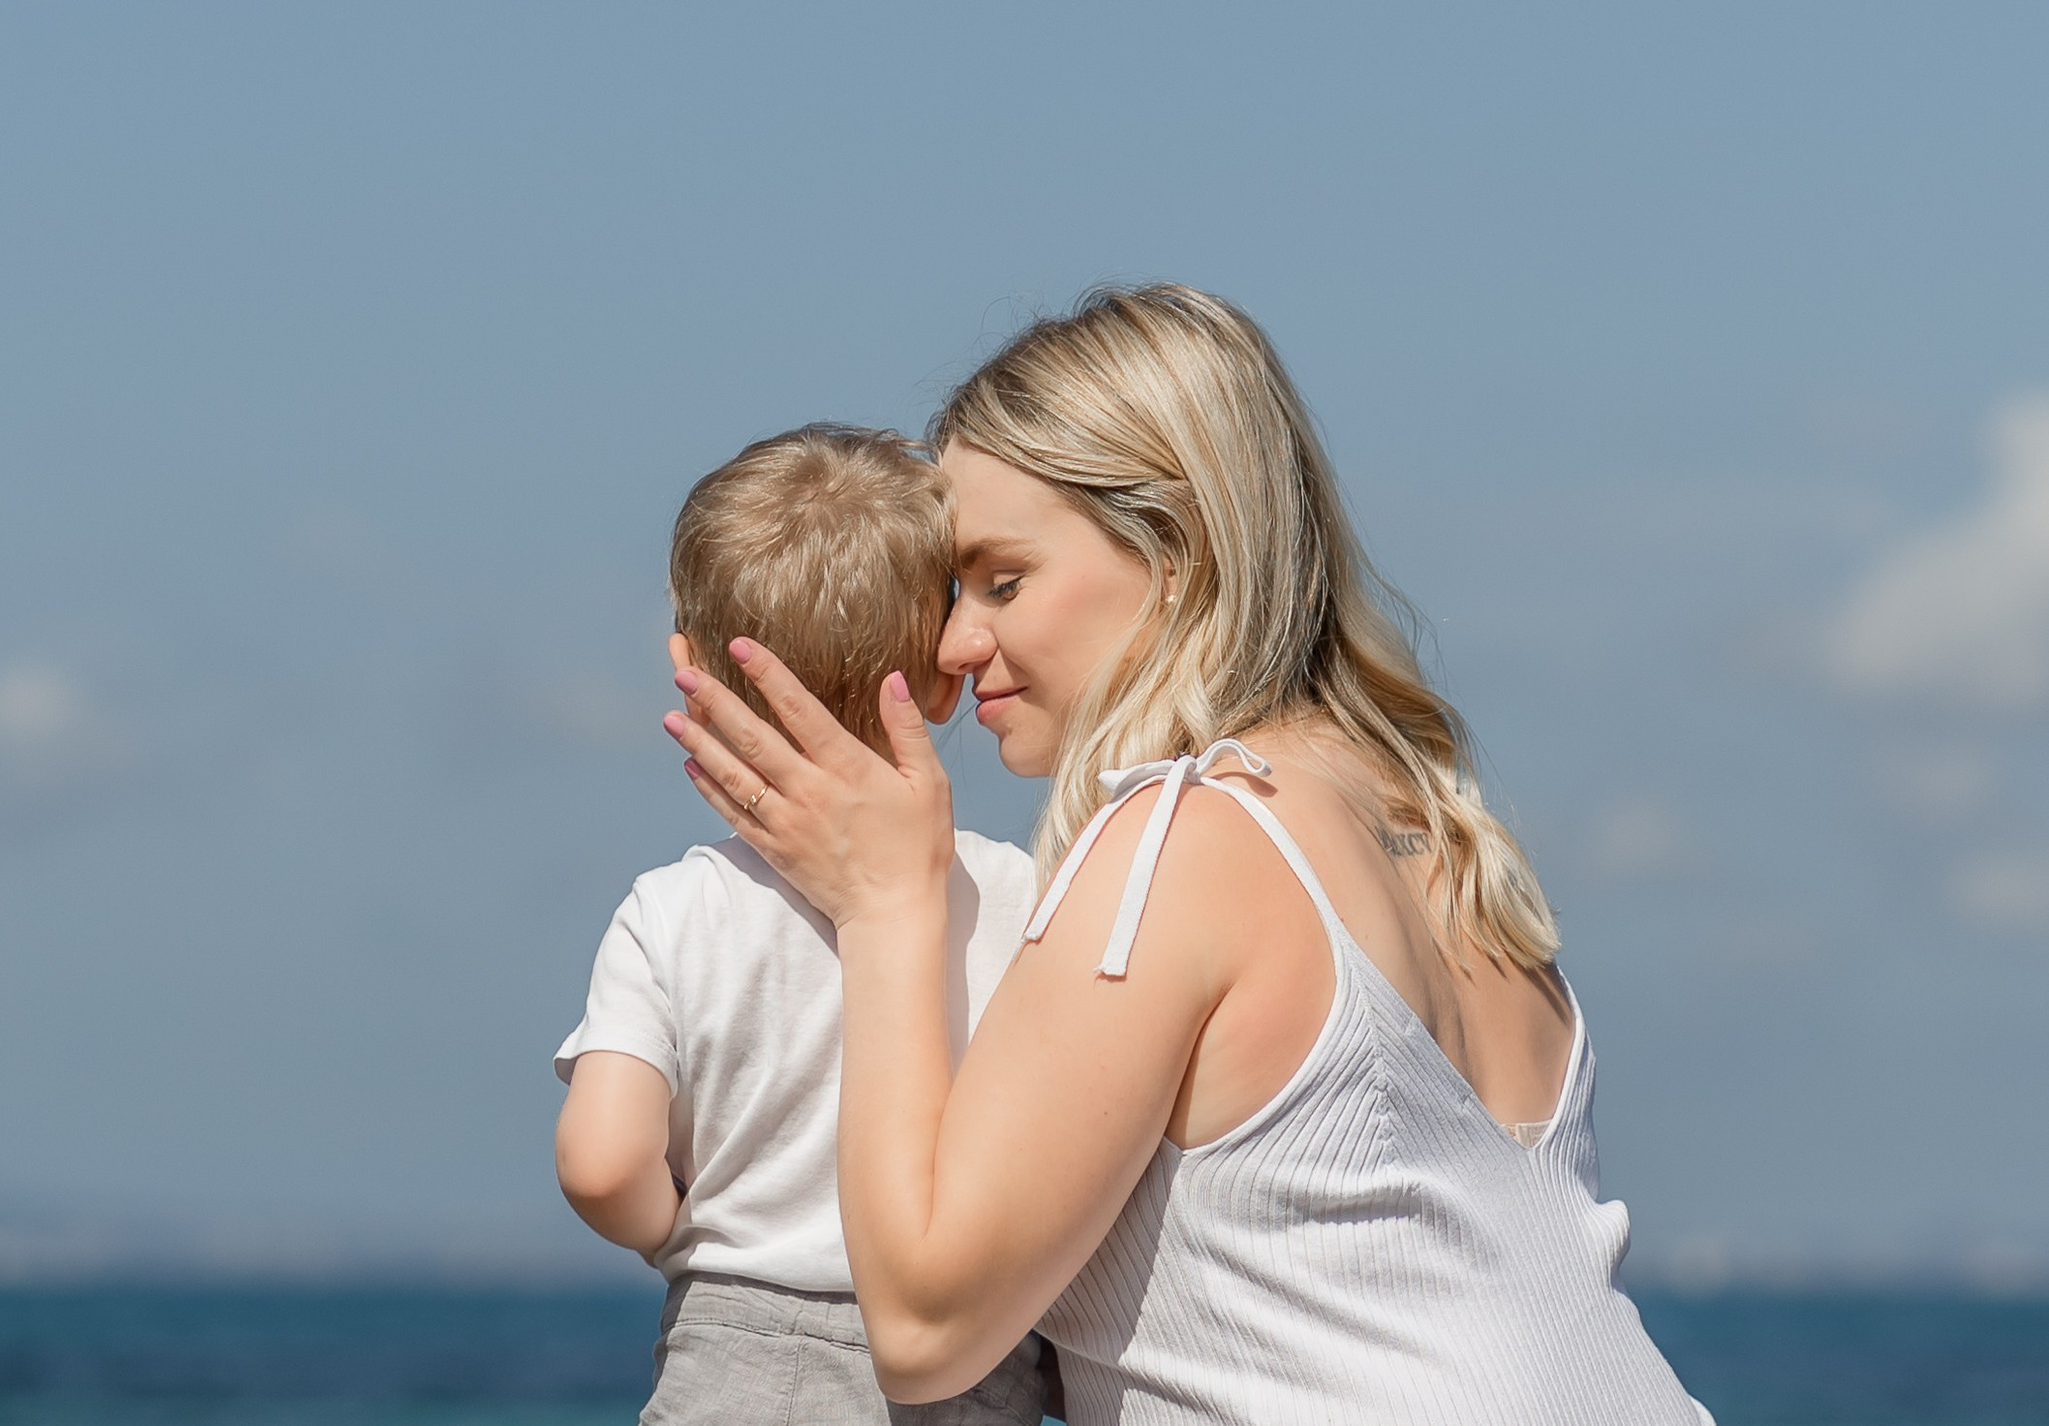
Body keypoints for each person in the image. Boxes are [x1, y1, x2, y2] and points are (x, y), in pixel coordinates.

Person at [665, 287, 1714, 1424]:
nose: (958, 643)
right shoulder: (1438, 834)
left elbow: (924, 1327)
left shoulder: (1182, 843)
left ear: (1176, 552)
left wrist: (882, 910)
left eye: (1002, 580)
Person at [555, 424, 1049, 1426]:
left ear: (685, 665)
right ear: (947, 671)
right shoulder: (1030, 898)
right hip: (965, 1353)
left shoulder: (672, 912)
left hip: (733, 1350)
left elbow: (602, 1162)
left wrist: (681, 1235)